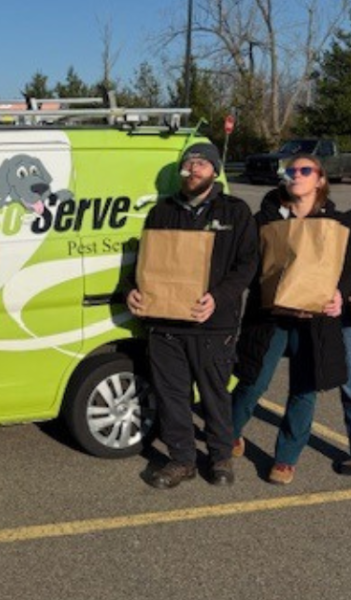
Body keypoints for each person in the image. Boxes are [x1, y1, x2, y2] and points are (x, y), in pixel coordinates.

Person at [127, 142, 258, 489]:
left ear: (214, 171)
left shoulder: (235, 212)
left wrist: (218, 297)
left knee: (215, 396)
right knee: (172, 397)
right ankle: (181, 459)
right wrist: (133, 290)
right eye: (188, 163)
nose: (193, 168)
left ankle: (219, 457)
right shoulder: (162, 212)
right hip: (166, 326)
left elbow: (247, 265)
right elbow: (145, 263)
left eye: (201, 163)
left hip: (214, 326)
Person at [232, 154, 349, 485]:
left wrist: (341, 294)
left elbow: (347, 269)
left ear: (320, 180)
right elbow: (246, 265)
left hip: (314, 320)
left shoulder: (336, 224)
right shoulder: (264, 220)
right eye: (291, 170)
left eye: (305, 170)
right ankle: (229, 432)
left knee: (304, 388)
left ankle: (286, 458)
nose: (296, 174)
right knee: (253, 380)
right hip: (270, 317)